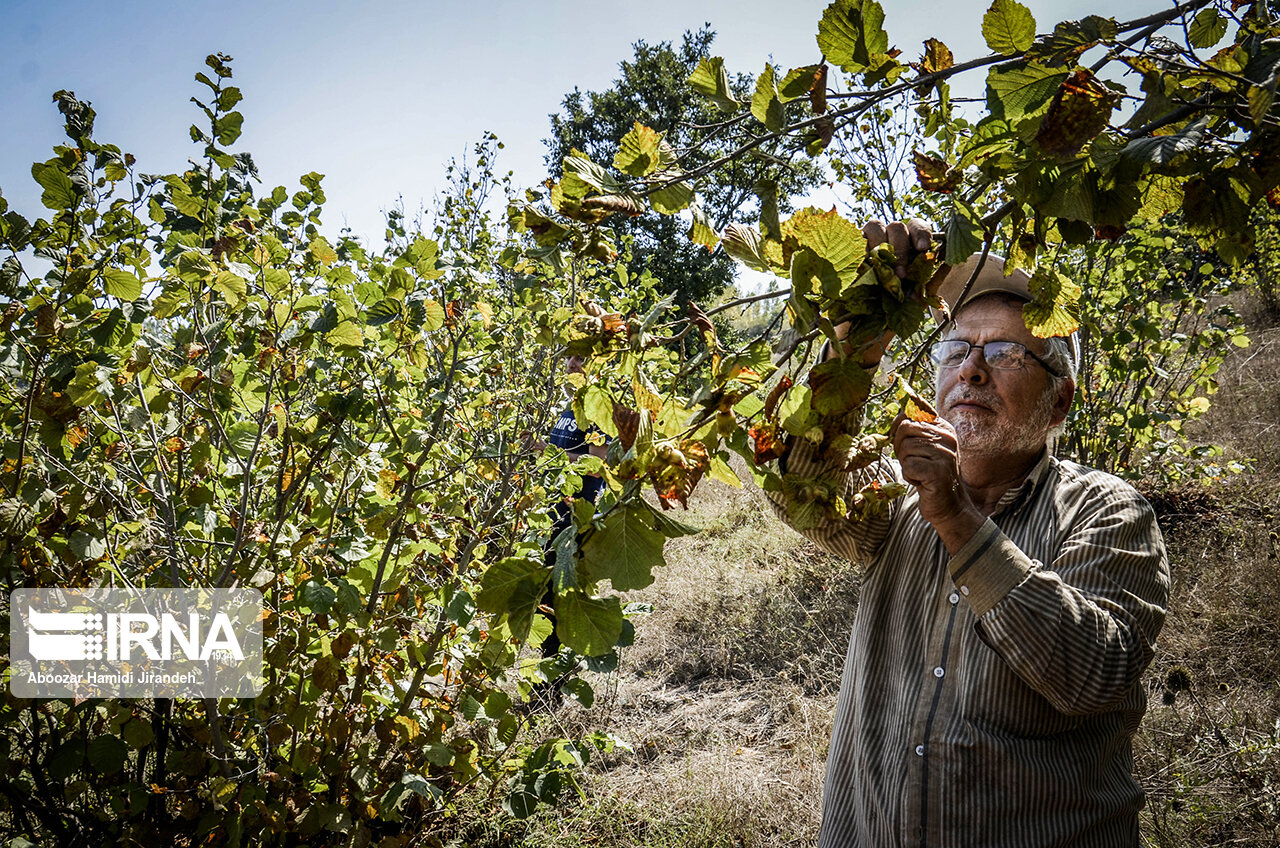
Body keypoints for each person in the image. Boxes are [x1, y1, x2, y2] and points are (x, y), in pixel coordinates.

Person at [766, 220, 1171, 847]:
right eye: (956, 350)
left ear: (1059, 402)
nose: (973, 372)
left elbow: (1091, 675)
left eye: (1007, 354)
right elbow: (798, 490)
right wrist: (868, 319)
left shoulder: (1107, 512)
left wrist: (956, 516)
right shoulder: (893, 491)